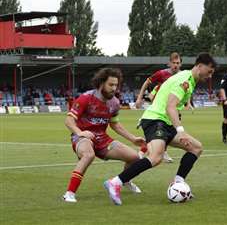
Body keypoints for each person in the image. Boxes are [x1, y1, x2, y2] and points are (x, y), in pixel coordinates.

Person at [103, 53, 217, 205]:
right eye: (209, 72)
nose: (209, 76)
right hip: (155, 120)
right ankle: (115, 182)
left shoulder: (189, 79)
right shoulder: (185, 80)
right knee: (156, 157)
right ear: (200, 66)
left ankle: (177, 184)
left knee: (196, 147)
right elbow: (170, 106)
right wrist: (180, 130)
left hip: (165, 122)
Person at [63, 68, 146, 203]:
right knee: (88, 155)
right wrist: (80, 132)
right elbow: (69, 120)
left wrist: (133, 138)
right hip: (82, 137)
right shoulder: (86, 98)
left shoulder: (114, 103)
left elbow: (115, 125)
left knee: (135, 157)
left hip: (102, 139)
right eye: (111, 85)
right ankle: (69, 193)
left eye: (116, 85)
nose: (114, 88)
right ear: (101, 83)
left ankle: (124, 180)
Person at [135, 52, 182, 163]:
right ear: (169, 63)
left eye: (178, 63)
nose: (176, 65)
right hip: (159, 109)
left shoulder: (182, 76)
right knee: (159, 132)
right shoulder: (162, 74)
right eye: (174, 63)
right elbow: (147, 82)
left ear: (181, 64)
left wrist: (187, 103)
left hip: (173, 108)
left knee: (171, 131)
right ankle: (144, 152)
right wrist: (139, 98)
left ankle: (158, 151)